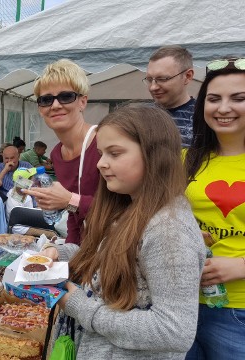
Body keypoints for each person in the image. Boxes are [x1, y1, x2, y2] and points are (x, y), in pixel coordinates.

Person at [42, 105, 205, 359]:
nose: (100, 164)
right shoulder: (129, 206)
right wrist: (59, 253)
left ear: (155, 155)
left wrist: (82, 308)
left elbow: (175, 330)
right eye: (100, 153)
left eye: (114, 153)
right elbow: (106, 259)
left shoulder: (169, 231)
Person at [184, 58, 245, 360]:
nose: (223, 108)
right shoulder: (187, 159)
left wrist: (242, 266)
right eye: (213, 98)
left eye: (239, 98)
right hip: (180, 305)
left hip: (239, 313)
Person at [26, 59, 101, 245]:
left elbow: (127, 211)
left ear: (83, 102)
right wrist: (69, 251)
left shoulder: (104, 144)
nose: (56, 105)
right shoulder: (57, 154)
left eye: (66, 96)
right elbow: (74, 217)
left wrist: (68, 200)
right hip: (85, 250)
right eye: (46, 100)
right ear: (40, 109)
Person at [145, 45, 196, 147]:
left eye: (163, 79)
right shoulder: (142, 116)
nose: (153, 87)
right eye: (150, 80)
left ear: (187, 76)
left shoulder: (205, 115)